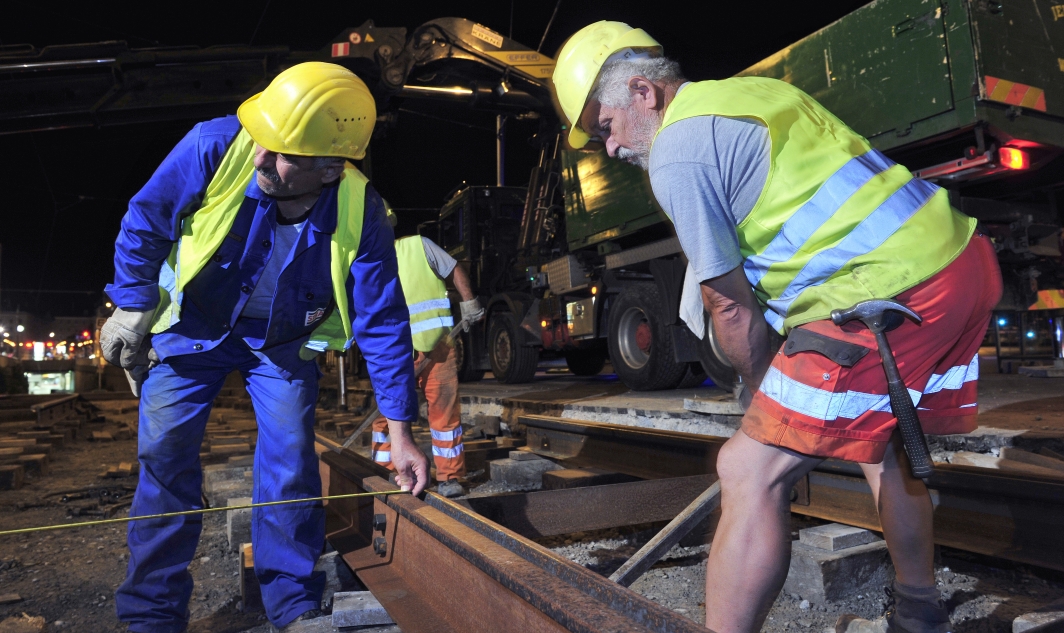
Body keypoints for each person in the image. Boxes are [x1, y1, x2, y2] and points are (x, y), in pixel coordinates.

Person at [553, 22, 1001, 633]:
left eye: (605, 126)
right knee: (880, 442)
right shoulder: (753, 94)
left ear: (643, 92)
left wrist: (762, 391)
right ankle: (920, 610)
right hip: (960, 261)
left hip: (888, 291)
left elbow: (729, 307)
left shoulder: (677, 153)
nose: (608, 148)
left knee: (746, 469)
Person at [99, 62, 430, 633]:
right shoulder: (215, 144)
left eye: (286, 155)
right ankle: (151, 617)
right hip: (192, 327)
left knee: (289, 461)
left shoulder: (362, 210)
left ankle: (292, 603)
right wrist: (132, 306)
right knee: (165, 461)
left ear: (330, 169)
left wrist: (401, 432)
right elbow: (146, 218)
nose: (261, 159)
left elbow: (382, 321)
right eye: (265, 142)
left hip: (280, 342)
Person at [371, 226, 485, 497]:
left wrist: (469, 302)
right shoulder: (366, 257)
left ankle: (450, 477)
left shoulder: (419, 246)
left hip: (438, 350)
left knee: (444, 415)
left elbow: (454, 268)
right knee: (385, 417)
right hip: (394, 355)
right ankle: (388, 472)